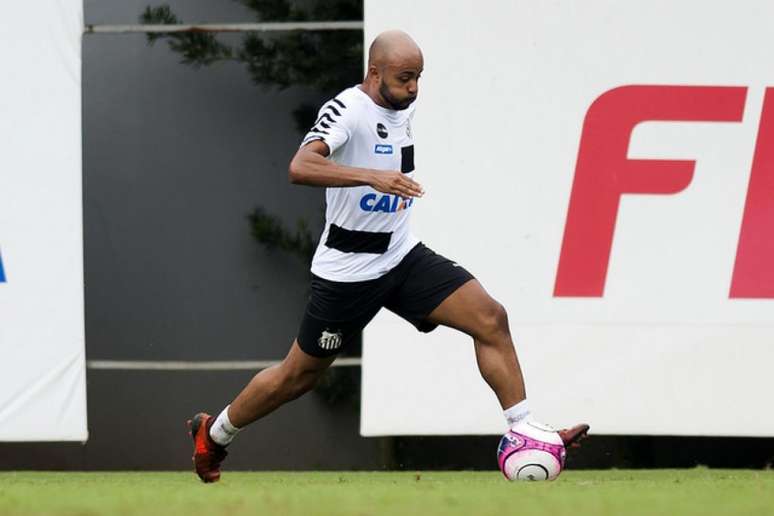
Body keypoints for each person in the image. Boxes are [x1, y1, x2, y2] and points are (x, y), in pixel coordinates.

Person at [189, 30, 588, 483]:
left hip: (401, 256)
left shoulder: (401, 104)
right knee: (297, 377)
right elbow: (300, 166)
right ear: (374, 72)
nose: (413, 88)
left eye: (418, 78)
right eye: (403, 78)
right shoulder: (347, 110)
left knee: (490, 317)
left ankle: (525, 429)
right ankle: (215, 433)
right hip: (348, 271)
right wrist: (370, 177)